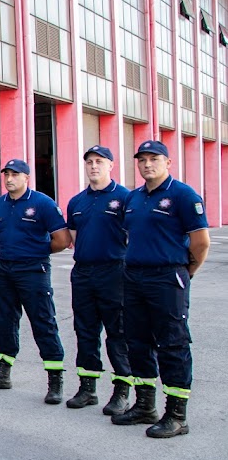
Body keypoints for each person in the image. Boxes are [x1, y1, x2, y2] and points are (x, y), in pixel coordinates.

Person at [111, 140, 209, 438]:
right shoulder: (134, 198)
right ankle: (145, 406)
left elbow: (201, 242)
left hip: (167, 277)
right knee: (137, 342)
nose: (147, 164)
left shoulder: (182, 195)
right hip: (135, 277)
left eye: (154, 159)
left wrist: (185, 271)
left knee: (172, 343)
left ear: (168, 163)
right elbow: (130, 236)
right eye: (142, 159)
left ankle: (177, 414)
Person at [0, 159, 71, 403]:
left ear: (26, 178)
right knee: (4, 321)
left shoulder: (43, 203)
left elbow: (61, 240)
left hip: (33, 272)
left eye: (15, 174)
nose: (9, 179)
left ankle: (55, 380)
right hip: (6, 271)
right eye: (6, 174)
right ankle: (2, 373)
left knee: (43, 323)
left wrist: (33, 252)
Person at [64, 145, 132, 413]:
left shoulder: (125, 198)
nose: (94, 166)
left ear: (111, 165)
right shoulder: (77, 201)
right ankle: (87, 387)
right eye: (90, 162)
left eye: (99, 161)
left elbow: (133, 236)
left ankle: (122, 389)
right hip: (83, 273)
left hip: (114, 272)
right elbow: (74, 237)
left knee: (118, 332)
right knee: (85, 331)